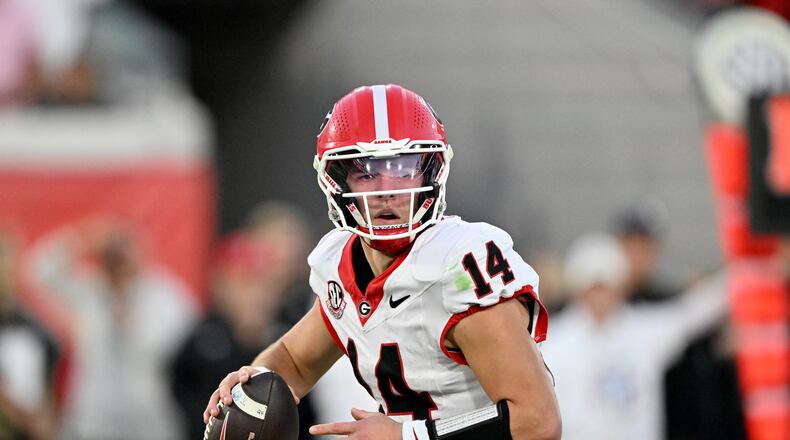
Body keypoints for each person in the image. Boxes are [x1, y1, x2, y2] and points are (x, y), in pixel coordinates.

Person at [203, 85, 561, 440]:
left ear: (430, 173)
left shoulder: (459, 267)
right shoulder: (340, 265)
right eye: (367, 172)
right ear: (338, 181)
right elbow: (293, 362)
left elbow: (537, 421)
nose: (388, 189)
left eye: (404, 170)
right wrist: (252, 381)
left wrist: (407, 436)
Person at [540, 232, 728, 440]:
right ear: (578, 290)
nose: (600, 297)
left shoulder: (644, 333)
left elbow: (695, 311)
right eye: (593, 288)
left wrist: (750, 268)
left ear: (620, 288)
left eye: (606, 287)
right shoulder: (554, 341)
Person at [29, 220, 198, 440]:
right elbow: (40, 270)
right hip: (92, 419)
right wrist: (84, 240)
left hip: (148, 421)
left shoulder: (162, 293)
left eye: (126, 247)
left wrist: (128, 304)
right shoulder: (90, 290)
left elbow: (173, 342)